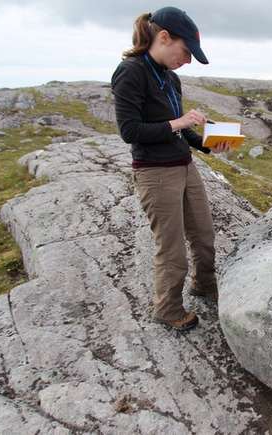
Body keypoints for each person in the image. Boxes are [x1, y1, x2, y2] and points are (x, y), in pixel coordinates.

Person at [111, 6, 228, 332]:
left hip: (185, 167)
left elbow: (180, 131)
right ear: (164, 37)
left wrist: (208, 143)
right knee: (172, 247)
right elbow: (130, 131)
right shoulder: (130, 72)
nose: (187, 60)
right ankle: (168, 308)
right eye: (186, 51)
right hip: (155, 172)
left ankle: (204, 284)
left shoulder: (170, 77)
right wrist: (179, 120)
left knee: (204, 235)